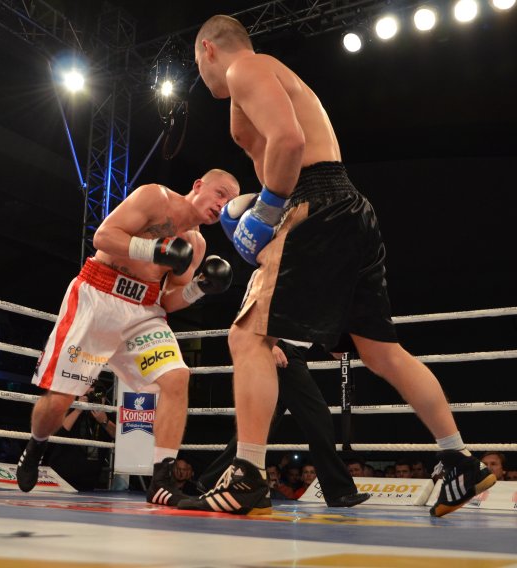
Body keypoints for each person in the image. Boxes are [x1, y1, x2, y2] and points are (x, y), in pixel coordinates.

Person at [178, 14, 495, 517]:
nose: (203, 75)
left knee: (247, 337)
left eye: (199, 63)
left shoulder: (245, 68)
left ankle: (247, 475)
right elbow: (286, 147)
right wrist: (262, 205)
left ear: (208, 50)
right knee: (382, 352)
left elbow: (289, 142)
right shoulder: (264, 78)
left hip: (314, 206)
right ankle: (459, 459)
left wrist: (267, 210)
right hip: (346, 206)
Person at [16, 169, 240, 506]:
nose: (223, 204)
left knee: (177, 377)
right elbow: (103, 237)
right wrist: (154, 250)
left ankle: (161, 481)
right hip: (98, 296)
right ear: (198, 186)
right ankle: (36, 445)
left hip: (144, 310)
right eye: (220, 193)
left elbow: (169, 301)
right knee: (59, 400)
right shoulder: (155, 197)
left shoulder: (197, 245)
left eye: (231, 201)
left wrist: (199, 288)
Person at [196, 336, 369, 507]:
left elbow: (311, 330)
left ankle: (211, 479)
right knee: (319, 419)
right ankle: (339, 492)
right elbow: (260, 318)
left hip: (289, 354)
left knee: (261, 428)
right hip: (284, 354)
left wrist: (334, 343)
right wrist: (271, 344)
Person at [46, 386, 116, 491]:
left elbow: (119, 437)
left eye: (97, 395)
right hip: (60, 477)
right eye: (89, 394)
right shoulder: (71, 407)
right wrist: (77, 410)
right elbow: (57, 434)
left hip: (88, 481)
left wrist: (104, 421)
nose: (93, 397)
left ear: (104, 398)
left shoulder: (109, 413)